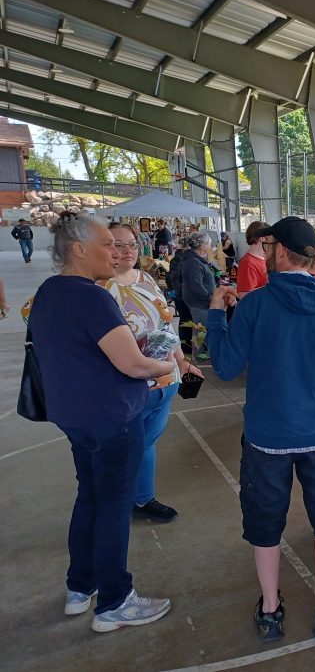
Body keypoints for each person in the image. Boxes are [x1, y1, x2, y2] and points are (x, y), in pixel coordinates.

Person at [205, 216, 315, 643]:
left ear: (281, 252)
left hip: (267, 438)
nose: (264, 251)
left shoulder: (255, 306)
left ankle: (271, 611)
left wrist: (216, 314)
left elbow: (225, 365)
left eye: (269, 245)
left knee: (265, 521)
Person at [28, 212, 174, 632]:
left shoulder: (49, 292)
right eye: (107, 245)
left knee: (90, 498)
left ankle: (81, 586)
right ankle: (115, 601)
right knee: (113, 506)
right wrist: (163, 365)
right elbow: (132, 364)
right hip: (111, 417)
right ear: (78, 249)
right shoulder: (92, 298)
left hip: (75, 415)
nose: (115, 252)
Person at [103, 223, 203, 523]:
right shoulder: (98, 288)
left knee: (146, 445)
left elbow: (165, 326)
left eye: (132, 244)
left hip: (165, 380)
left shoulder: (146, 279)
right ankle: (116, 500)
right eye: (118, 244)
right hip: (128, 385)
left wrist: (181, 361)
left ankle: (142, 499)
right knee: (124, 448)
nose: (127, 251)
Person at [180, 232, 216, 342]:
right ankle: (199, 353)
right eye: (209, 244)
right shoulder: (194, 262)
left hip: (201, 303)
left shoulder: (195, 259)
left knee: (201, 333)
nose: (210, 247)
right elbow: (196, 285)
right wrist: (210, 297)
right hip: (200, 304)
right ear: (202, 246)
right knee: (200, 335)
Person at [236, 221, 270, 299]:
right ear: (262, 238)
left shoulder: (265, 258)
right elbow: (243, 295)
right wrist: (271, 287)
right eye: (269, 237)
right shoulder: (248, 263)